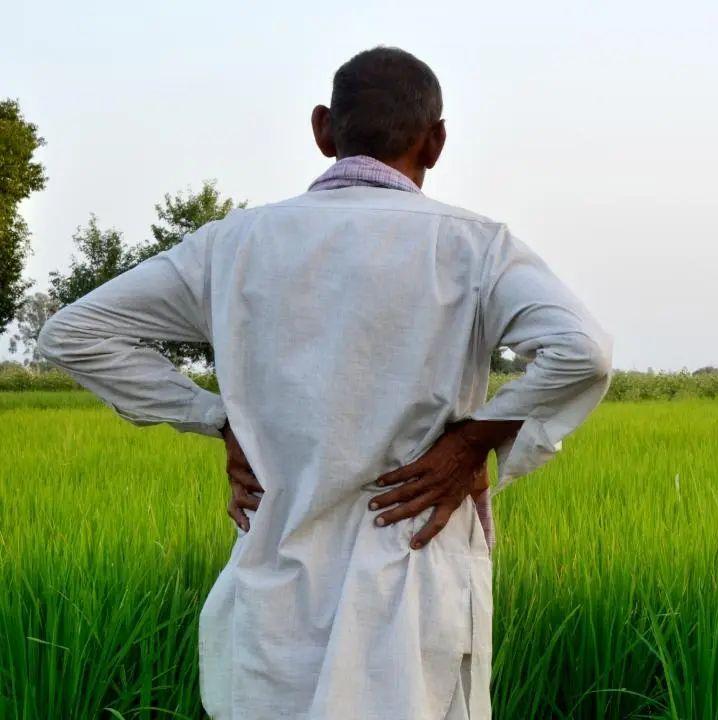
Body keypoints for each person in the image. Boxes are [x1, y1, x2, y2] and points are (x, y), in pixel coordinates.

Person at [36, 45, 612, 719]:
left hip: (275, 597)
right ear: (437, 141)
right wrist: (473, 440)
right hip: (410, 580)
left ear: (323, 131)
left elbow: (71, 333)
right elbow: (583, 350)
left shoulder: (234, 245)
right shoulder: (474, 246)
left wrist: (216, 418)